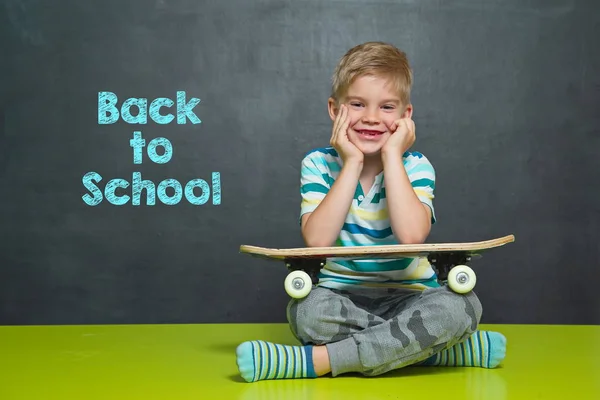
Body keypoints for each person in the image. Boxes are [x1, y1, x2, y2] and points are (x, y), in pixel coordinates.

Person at [235, 42, 506, 382]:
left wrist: (393, 156)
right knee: (307, 314)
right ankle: (432, 351)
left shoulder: (416, 166)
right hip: (340, 299)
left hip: (411, 299)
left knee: (462, 308)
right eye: (357, 104)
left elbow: (411, 236)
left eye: (387, 107)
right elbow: (317, 240)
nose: (372, 118)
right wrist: (351, 163)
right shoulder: (318, 165)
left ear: (406, 116)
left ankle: (318, 361)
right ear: (335, 110)